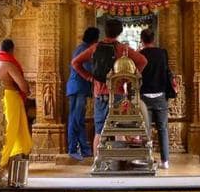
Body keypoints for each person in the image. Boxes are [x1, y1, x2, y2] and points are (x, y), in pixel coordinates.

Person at [71, 18, 147, 156]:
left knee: (99, 131)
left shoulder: (95, 48)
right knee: (118, 129)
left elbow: (75, 63)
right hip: (117, 93)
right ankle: (118, 162)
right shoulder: (122, 49)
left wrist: (89, 77)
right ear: (119, 32)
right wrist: (130, 79)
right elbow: (143, 61)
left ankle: (97, 163)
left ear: (105, 31)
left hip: (99, 94)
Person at [138, 29, 177, 169]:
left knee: (145, 129)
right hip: (160, 95)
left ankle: (147, 159)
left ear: (142, 39)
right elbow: (167, 72)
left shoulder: (139, 55)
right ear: (153, 39)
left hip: (144, 96)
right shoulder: (162, 53)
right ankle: (165, 161)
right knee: (162, 129)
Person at [0, 38, 33, 168]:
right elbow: (22, 85)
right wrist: (27, 90)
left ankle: (9, 160)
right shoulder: (8, 64)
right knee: (11, 130)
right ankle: (1, 161)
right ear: (12, 50)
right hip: (10, 97)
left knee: (10, 129)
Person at [65, 25, 99, 161]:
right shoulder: (85, 50)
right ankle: (73, 149)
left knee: (78, 119)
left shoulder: (81, 48)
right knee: (76, 119)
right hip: (78, 88)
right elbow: (88, 68)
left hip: (77, 88)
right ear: (94, 39)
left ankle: (84, 149)